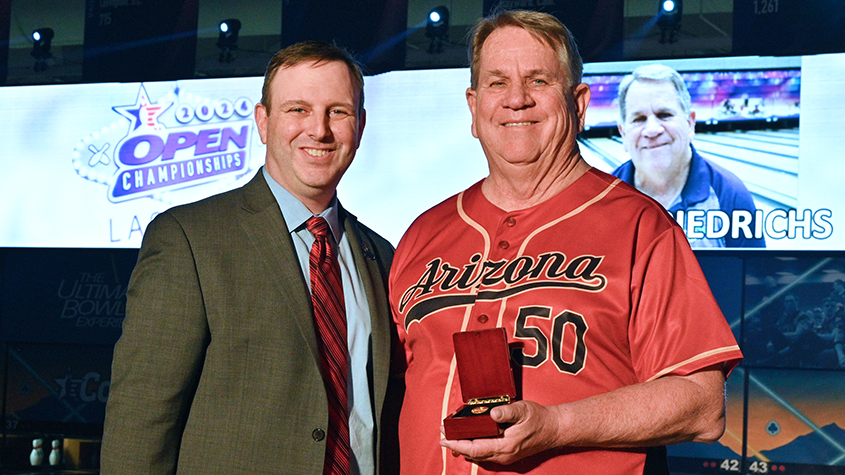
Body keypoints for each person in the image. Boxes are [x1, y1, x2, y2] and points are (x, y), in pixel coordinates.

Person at [388, 10, 743, 475]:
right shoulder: (423, 234)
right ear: (473, 108)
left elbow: (701, 405)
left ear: (578, 103)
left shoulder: (640, 227)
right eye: (497, 84)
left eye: (538, 81)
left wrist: (556, 425)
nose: (516, 100)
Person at [101, 42, 400, 474]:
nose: (319, 130)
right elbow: (141, 421)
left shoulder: (382, 256)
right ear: (263, 122)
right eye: (297, 109)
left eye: (338, 112)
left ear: (361, 125)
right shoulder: (189, 240)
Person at [612, 64, 765, 248]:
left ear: (690, 123)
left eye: (664, 115)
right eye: (639, 119)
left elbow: (753, 276)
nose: (652, 130)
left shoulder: (730, 196)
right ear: (623, 133)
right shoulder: (599, 199)